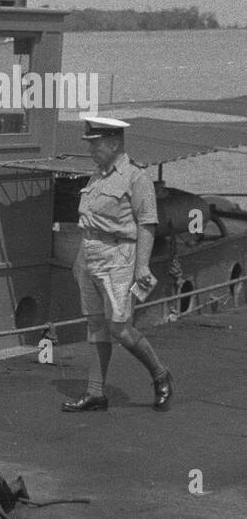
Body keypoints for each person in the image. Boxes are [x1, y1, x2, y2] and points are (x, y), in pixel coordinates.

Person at [63, 117, 173, 412]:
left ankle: (160, 374)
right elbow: (89, 222)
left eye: (95, 144)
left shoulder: (136, 177)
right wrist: (79, 260)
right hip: (91, 256)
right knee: (95, 323)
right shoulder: (97, 176)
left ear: (113, 142)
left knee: (120, 329)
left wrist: (142, 267)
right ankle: (96, 393)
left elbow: (147, 224)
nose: (90, 150)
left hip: (119, 258)